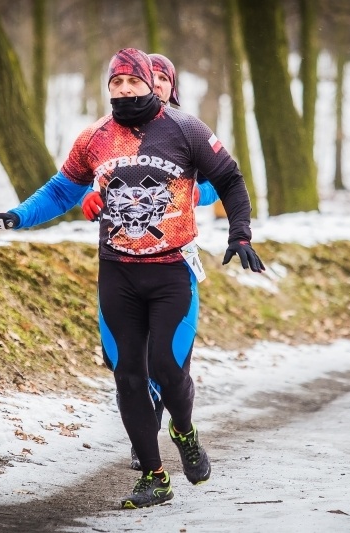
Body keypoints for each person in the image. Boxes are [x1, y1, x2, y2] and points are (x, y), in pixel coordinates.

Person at [0, 47, 264, 509]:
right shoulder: (95, 137)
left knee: (168, 370)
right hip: (118, 272)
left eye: (135, 82)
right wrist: (17, 216)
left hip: (171, 268)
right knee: (128, 376)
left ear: (155, 85)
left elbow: (224, 181)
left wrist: (241, 234)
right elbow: (59, 189)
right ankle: (154, 475)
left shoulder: (185, 129)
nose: (126, 90)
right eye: (116, 84)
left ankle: (184, 431)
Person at [81, 53, 219, 472]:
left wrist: (191, 194)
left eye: (161, 79)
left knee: (167, 360)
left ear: (169, 87)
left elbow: (217, 184)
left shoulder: (183, 128)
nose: (153, 85)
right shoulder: (113, 134)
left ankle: (174, 428)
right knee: (127, 363)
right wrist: (90, 197)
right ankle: (145, 441)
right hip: (122, 261)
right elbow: (91, 180)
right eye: (148, 78)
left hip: (177, 259)